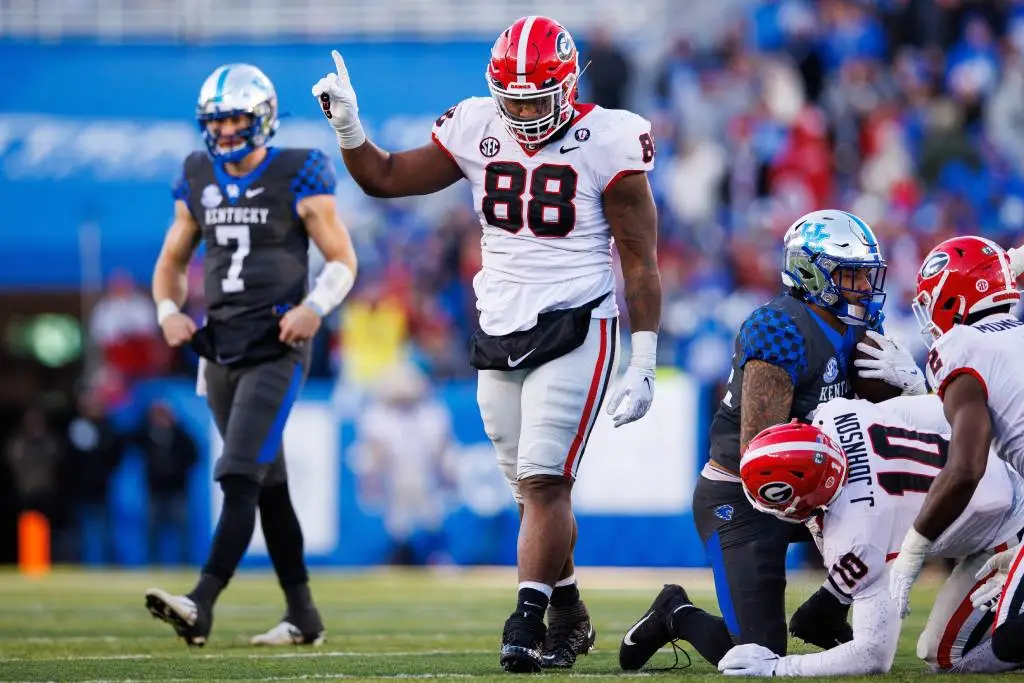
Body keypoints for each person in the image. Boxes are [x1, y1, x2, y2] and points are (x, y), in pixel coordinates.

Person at [312, 15, 661, 672]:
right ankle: (570, 612)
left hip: (580, 318)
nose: (525, 112)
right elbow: (386, 178)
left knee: (544, 478)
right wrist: (349, 129)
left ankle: (526, 621)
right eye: (515, 98)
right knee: (531, 492)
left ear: (568, 83)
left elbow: (640, 260)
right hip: (498, 324)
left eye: (537, 97)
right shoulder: (476, 124)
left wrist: (642, 358)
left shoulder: (610, 139)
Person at [619, 209, 926, 670]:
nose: (863, 288)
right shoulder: (779, 327)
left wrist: (911, 389)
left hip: (816, 482)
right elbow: (762, 452)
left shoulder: (863, 324)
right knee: (758, 655)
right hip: (747, 494)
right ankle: (675, 614)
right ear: (811, 272)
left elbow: (875, 426)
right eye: (850, 276)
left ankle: (825, 612)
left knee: (888, 503)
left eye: (866, 276)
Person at [145, 63, 358, 647]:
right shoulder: (196, 174)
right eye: (217, 120)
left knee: (238, 473)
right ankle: (304, 617)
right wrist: (168, 313)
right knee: (269, 486)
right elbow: (169, 262)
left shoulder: (298, 168)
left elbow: (343, 259)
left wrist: (314, 306)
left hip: (277, 344)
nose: (227, 130)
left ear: (262, 116)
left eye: (236, 117)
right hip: (218, 348)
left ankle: (201, 601)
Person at [719, 395, 1024, 676]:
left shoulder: (856, 533)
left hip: (1008, 526)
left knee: (943, 656)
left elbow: (873, 655)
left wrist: (780, 667)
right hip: (1005, 462)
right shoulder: (837, 412)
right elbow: (949, 411)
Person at [889, 236, 1024, 666]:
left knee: (996, 654)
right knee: (943, 651)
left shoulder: (961, 347)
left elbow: (966, 469)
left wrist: (912, 552)